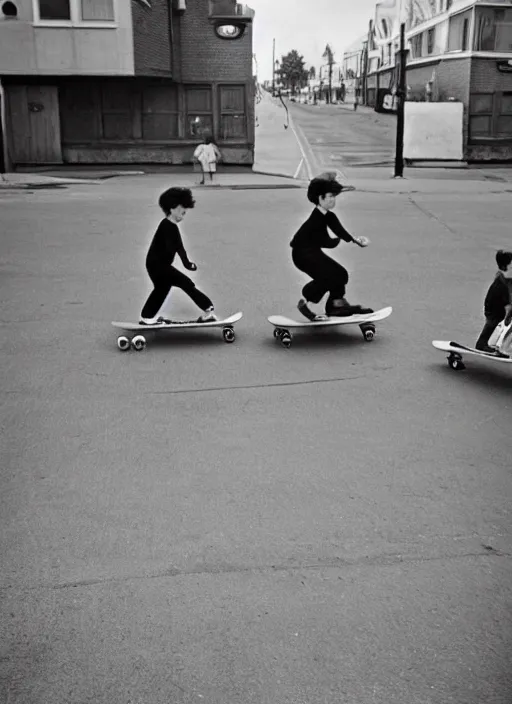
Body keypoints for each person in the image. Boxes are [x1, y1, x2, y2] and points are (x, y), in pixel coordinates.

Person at [290, 174, 373, 321]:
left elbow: (338, 229)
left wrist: (355, 240)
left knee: (340, 274)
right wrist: (335, 241)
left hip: (312, 251)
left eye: (334, 196)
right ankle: (307, 301)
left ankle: (336, 305)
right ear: (320, 198)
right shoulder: (315, 218)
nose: (333, 200)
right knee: (328, 276)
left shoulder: (329, 216)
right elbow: (324, 240)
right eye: (330, 196)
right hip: (302, 254)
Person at [140, 187, 217, 325]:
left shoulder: (172, 227)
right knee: (185, 283)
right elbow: (172, 247)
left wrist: (187, 263)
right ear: (172, 208)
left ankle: (147, 317)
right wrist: (181, 261)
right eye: (182, 210)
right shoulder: (166, 225)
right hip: (157, 265)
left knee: (162, 288)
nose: (184, 212)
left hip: (159, 265)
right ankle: (208, 309)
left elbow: (180, 248)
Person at [475, 249, 512, 355]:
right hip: (495, 310)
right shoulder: (500, 285)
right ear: (505, 268)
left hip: (501, 311)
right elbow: (507, 306)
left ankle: (499, 346)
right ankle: (494, 347)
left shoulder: (508, 280)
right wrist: (508, 315)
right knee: (493, 325)